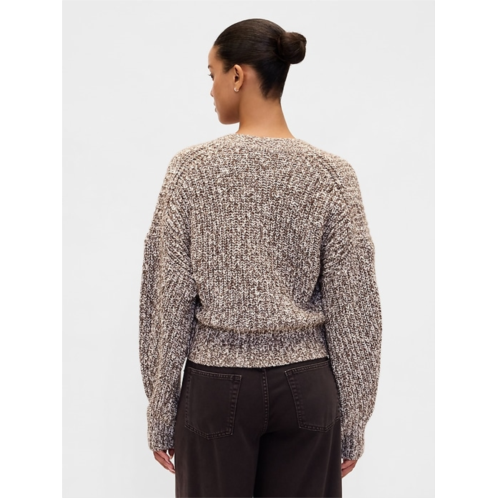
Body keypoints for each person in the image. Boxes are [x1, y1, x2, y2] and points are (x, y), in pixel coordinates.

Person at [139, 18, 382, 498]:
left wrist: (161, 408)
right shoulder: (332, 175)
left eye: (212, 74)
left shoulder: (191, 170)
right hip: (308, 389)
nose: (210, 90)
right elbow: (355, 306)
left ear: (237, 75)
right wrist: (354, 418)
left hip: (215, 388)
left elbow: (167, 296)